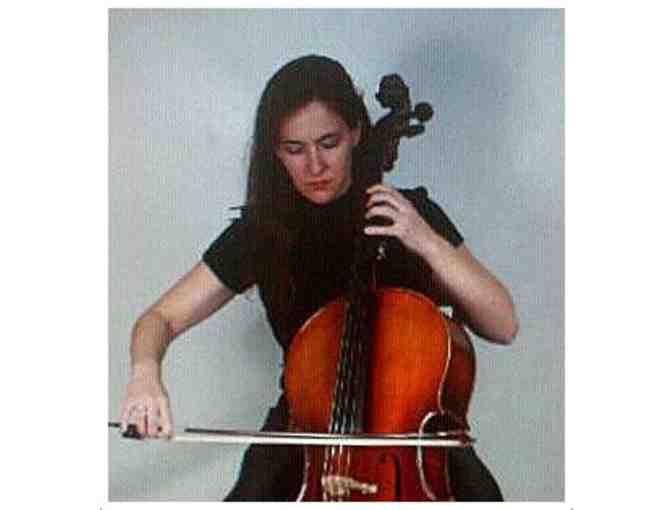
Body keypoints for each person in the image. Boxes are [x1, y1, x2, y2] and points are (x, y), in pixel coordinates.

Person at [119, 55, 519, 501]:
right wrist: (145, 375)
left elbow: (503, 324)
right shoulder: (261, 233)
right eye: (294, 149)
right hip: (305, 437)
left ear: (356, 133)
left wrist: (425, 240)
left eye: (329, 143)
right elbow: (160, 319)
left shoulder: (408, 216)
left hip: (413, 447)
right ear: (275, 152)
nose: (314, 165)